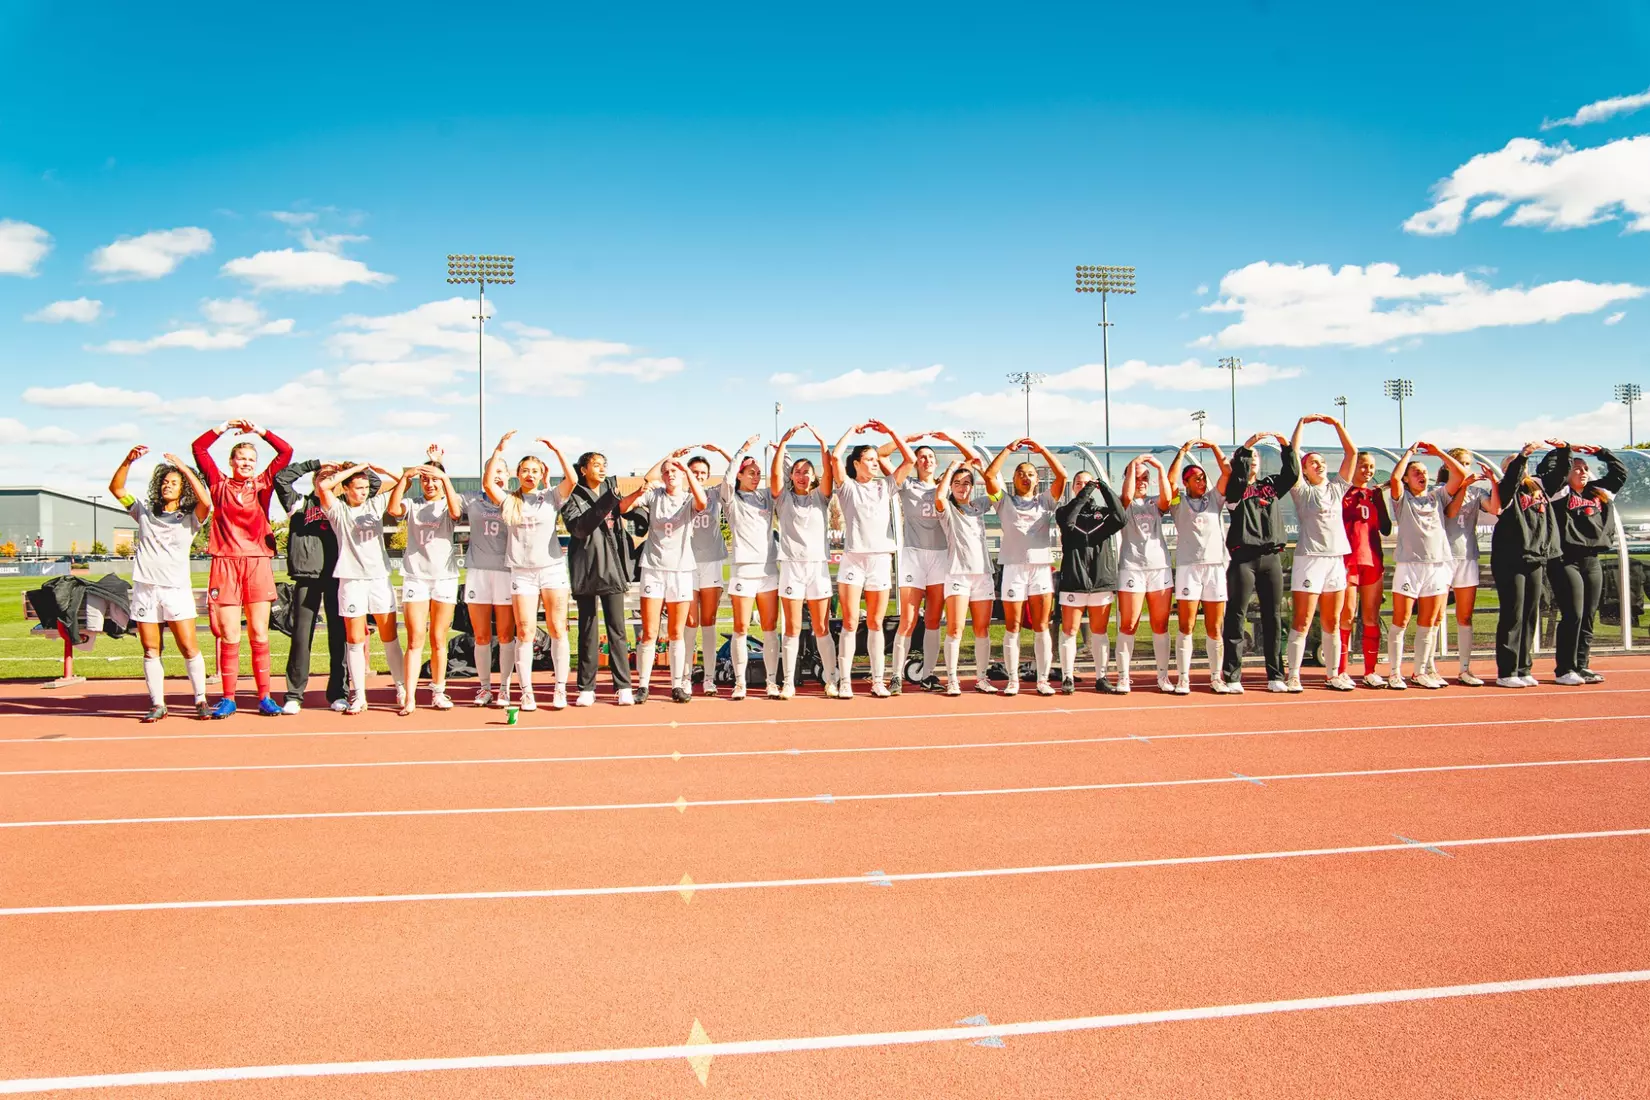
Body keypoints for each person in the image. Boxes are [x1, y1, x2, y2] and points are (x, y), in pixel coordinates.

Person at [191, 418, 293, 718]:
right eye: (242, 458)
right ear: (231, 461)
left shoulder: (262, 484)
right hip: (225, 562)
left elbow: (286, 452)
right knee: (230, 635)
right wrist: (222, 427)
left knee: (260, 634)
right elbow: (198, 448)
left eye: (251, 459)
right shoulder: (218, 483)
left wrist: (259, 431)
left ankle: (265, 697)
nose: (247, 463)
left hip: (257, 561)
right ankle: (228, 698)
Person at [109, 445, 212, 721]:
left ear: (183, 489)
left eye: (174, 483)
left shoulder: (191, 518)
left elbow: (206, 502)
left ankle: (200, 700)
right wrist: (127, 460)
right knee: (150, 648)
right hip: (145, 589)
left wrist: (184, 468)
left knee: (188, 647)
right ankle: (158, 703)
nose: (168, 485)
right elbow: (117, 489)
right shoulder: (143, 511)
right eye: (165, 482)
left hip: (175, 589)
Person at [275, 458, 379, 714]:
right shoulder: (300, 503)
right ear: (314, 479)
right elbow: (281, 478)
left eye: (332, 477)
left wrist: (348, 470)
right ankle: (294, 695)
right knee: (300, 637)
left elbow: (372, 484)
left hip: (338, 577)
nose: (326, 480)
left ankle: (338, 693)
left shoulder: (343, 505)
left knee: (339, 637)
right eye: (322, 477)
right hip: (307, 577)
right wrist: (315, 464)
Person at [486, 432, 578, 711]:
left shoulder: (549, 497)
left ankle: (560, 689)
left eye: (535, 471)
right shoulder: (510, 500)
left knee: (557, 628)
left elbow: (572, 480)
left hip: (551, 570)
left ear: (541, 474)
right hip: (522, 573)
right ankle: (526, 692)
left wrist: (557, 449)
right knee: (524, 631)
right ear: (518, 474)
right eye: (525, 470)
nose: (530, 474)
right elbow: (488, 483)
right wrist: (498, 450)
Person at [830, 421, 917, 698]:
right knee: (850, 622)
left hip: (880, 559)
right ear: (856, 463)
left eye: (875, 459)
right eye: (869, 459)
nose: (875, 463)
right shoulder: (846, 487)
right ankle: (844, 681)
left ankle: (878, 680)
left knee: (876, 623)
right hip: (854, 560)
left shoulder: (885, 487)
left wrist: (891, 432)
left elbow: (910, 459)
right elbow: (834, 457)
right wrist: (851, 431)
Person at [883, 433, 971, 692]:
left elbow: (971, 459)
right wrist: (909, 438)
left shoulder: (946, 484)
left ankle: (928, 674)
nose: (926, 459)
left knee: (933, 619)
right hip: (913, 555)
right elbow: (881, 455)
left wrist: (950, 439)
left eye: (931, 456)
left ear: (935, 462)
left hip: (940, 556)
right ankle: (896, 675)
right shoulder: (907, 484)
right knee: (908, 620)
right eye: (921, 456)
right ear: (916, 461)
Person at [316, 459, 403, 714]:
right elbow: (324, 487)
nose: (364, 492)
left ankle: (401, 687)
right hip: (351, 579)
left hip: (378, 579)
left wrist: (384, 469)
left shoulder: (376, 504)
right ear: (347, 489)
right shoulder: (338, 510)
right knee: (354, 639)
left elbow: (403, 482)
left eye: (366, 487)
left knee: (390, 637)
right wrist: (353, 470)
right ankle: (359, 695)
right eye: (358, 487)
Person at [983, 438, 1068, 695]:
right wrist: (1008, 450)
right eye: (1021, 474)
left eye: (1031, 474)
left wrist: (1042, 450)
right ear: (1014, 479)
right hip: (1012, 568)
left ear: (1037, 480)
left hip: (1041, 568)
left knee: (1042, 625)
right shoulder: (1003, 500)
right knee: (1013, 626)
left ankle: (1042, 680)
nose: (1026, 478)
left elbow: (1062, 475)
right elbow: (989, 475)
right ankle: (1013, 680)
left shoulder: (1045, 501)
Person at [621, 450, 708, 703]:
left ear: (683, 475)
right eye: (667, 471)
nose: (671, 474)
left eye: (675, 471)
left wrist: (687, 469)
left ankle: (678, 684)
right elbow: (625, 504)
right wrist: (667, 458)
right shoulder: (654, 494)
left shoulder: (689, 498)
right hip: (653, 569)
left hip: (680, 570)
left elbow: (702, 502)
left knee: (676, 632)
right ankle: (643, 685)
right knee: (649, 632)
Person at [1539, 440, 1627, 685]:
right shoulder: (1559, 492)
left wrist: (1601, 451)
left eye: (1585, 468)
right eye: (1576, 468)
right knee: (1573, 614)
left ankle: (1582, 665)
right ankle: (1564, 669)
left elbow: (1620, 473)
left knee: (1588, 615)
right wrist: (1563, 450)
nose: (1583, 471)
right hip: (1566, 560)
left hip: (1592, 561)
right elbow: (1551, 469)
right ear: (1566, 472)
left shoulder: (1599, 492)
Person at [562, 450, 645, 707]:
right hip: (586, 569)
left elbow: (634, 495)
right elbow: (580, 528)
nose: (601, 469)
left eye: (604, 465)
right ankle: (586, 687)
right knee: (587, 629)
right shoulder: (572, 496)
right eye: (595, 465)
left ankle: (623, 686)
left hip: (612, 568)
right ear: (583, 469)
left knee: (617, 630)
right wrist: (608, 500)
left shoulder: (612, 491)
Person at [386, 448, 464, 714]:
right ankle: (410, 697)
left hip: (444, 577)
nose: (429, 484)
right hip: (416, 577)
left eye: (435, 480)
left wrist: (443, 476)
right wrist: (405, 478)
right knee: (415, 639)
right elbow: (393, 508)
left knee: (438, 638)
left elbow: (456, 513)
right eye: (425, 480)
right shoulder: (414, 503)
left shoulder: (450, 501)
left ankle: (438, 692)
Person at [1385, 442, 1468, 689]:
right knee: (1401, 619)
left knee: (1430, 621)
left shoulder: (1437, 496)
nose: (1422, 475)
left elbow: (1460, 476)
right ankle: (1393, 672)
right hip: (1409, 565)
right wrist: (1409, 454)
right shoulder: (1402, 500)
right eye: (1416, 473)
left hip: (1437, 565)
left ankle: (1420, 672)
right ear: (1408, 479)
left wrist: (1438, 454)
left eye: (1424, 472)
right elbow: (1395, 478)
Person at [1221, 431, 1298, 693]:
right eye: (1249, 458)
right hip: (1243, 560)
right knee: (1236, 615)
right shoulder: (1235, 488)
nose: (1253, 460)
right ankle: (1232, 676)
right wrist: (1248, 445)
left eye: (1256, 457)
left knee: (1273, 617)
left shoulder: (1271, 485)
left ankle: (1276, 675)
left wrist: (1285, 446)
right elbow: (1239, 474)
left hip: (1271, 558)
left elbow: (1293, 475)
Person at [1285, 415, 1357, 692]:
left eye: (1321, 461)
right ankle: (1293, 675)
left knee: (1332, 621)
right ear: (1304, 470)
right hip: (1310, 560)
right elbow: (1292, 453)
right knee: (1302, 619)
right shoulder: (1301, 490)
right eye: (1313, 462)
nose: (1320, 464)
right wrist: (1302, 423)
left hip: (1335, 560)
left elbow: (1351, 453)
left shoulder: (1337, 488)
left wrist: (1337, 425)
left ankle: (1333, 674)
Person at [772, 423, 838, 699]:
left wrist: (823, 443)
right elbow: (775, 475)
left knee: (821, 625)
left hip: (817, 568)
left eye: (806, 472)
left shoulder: (820, 497)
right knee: (792, 627)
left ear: (813, 477)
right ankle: (788, 682)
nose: (801, 476)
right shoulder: (783, 498)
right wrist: (784, 443)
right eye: (796, 472)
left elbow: (830, 471)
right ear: (791, 475)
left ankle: (832, 679)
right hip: (791, 567)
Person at [1165, 440, 1233, 695]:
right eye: (1195, 478)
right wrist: (1183, 453)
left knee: (1215, 627)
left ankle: (1216, 677)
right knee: (1187, 625)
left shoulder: (1215, 498)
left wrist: (1214, 448)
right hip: (1188, 568)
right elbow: (1170, 482)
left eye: (1203, 478)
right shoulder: (1177, 502)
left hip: (1215, 566)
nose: (1201, 482)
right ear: (1186, 482)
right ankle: (1184, 678)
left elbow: (1227, 473)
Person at [1491, 444, 1561, 688]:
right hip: (1511, 559)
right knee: (1513, 613)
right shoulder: (1504, 489)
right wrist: (1522, 456)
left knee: (1531, 614)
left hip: (1536, 558)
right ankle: (1506, 671)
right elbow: (1511, 480)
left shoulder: (1538, 488)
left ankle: (1523, 668)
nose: (1522, 468)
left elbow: (1560, 474)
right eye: (1514, 465)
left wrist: (1564, 450)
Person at [720, 435, 782, 699]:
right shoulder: (731, 500)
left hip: (768, 572)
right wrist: (742, 450)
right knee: (741, 628)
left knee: (769, 628)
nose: (756, 477)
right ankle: (740, 682)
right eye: (751, 473)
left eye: (758, 473)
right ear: (740, 475)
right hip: (744, 571)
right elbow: (726, 479)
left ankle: (771, 681)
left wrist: (779, 451)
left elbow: (781, 481)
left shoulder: (767, 497)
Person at [1054, 468, 1126, 695]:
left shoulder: (1103, 514)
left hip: (1100, 579)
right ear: (1073, 487)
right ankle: (1067, 676)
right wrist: (1083, 493)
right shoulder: (1064, 511)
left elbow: (1121, 517)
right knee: (1070, 630)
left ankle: (1101, 677)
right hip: (1074, 579)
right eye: (1079, 483)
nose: (1084, 486)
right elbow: (1068, 522)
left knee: (1099, 630)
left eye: (1088, 483)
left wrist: (1103, 487)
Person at [1439, 449, 1501, 686]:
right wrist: (1462, 486)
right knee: (1435, 616)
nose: (1464, 468)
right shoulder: (1441, 491)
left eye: (1467, 463)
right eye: (1459, 464)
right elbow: (1451, 512)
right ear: (1448, 467)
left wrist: (1493, 481)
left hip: (1467, 556)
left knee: (1465, 616)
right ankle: (1426, 667)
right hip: (1443, 557)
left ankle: (1465, 669)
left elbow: (1495, 508)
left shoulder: (1477, 492)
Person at [935, 453, 994, 696]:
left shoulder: (979, 505)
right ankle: (952, 679)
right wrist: (951, 468)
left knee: (982, 629)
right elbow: (939, 495)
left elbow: (995, 490)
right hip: (957, 574)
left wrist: (979, 470)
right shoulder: (947, 507)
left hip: (983, 574)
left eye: (966, 483)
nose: (962, 488)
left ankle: (982, 677)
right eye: (957, 484)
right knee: (955, 628)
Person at [1116, 454, 1175, 694]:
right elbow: (1127, 497)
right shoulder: (1124, 502)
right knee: (1129, 624)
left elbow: (1168, 498)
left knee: (1160, 624)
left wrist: (1159, 467)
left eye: (1145, 478)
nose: (1141, 481)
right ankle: (1123, 676)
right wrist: (1133, 466)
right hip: (1132, 567)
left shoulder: (1154, 503)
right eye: (1137, 477)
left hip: (1159, 568)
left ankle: (1163, 676)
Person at [461, 460, 515, 707]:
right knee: (481, 635)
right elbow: (446, 496)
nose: (497, 477)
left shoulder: (515, 501)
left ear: (509, 475)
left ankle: (504, 687)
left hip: (505, 572)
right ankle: (484, 688)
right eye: (492, 473)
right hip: (478, 572)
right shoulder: (472, 500)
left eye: (501, 472)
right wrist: (437, 465)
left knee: (505, 634)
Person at [1339, 452, 1391, 687]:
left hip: (1373, 561)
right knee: (1347, 615)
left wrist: (1379, 497)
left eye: (1371, 467)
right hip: (1348, 561)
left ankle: (1370, 671)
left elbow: (1387, 528)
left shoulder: (1374, 495)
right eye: (1363, 466)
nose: (1368, 471)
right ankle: (1340, 671)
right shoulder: (1341, 492)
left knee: (1370, 617)